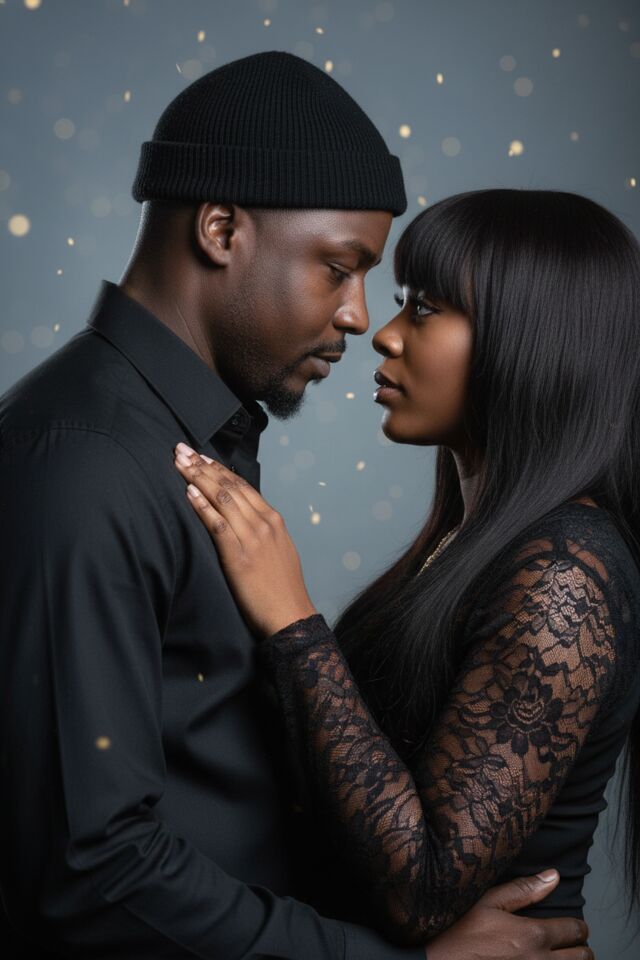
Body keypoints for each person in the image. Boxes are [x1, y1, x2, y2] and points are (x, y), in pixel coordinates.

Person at [0, 52, 591, 959]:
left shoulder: (194, 440)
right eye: (339, 268)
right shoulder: (85, 464)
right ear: (221, 229)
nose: (359, 317)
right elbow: (90, 872)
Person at [173, 185, 640, 952]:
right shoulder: (473, 542)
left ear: (532, 341)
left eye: (424, 309)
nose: (383, 336)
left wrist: (293, 622)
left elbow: (422, 889)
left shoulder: (566, 573)